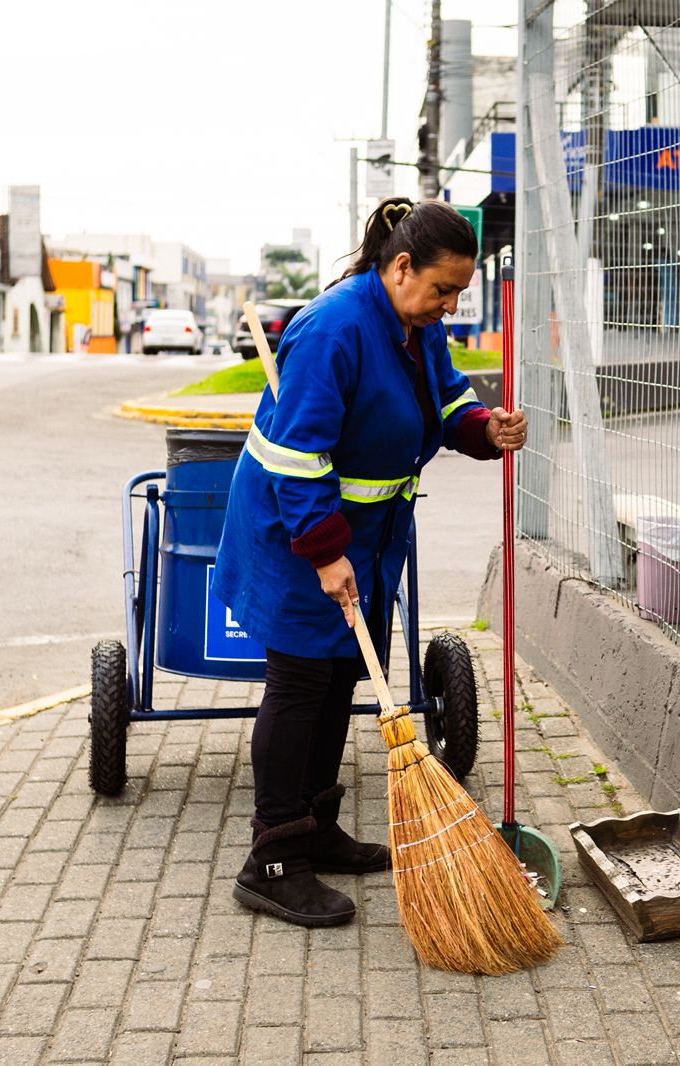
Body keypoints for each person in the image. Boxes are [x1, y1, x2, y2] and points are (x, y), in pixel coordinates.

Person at [212, 197, 527, 928]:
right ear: (401, 266)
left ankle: (315, 829)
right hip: (298, 532)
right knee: (299, 684)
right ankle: (272, 862)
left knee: (339, 677)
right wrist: (325, 554)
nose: (450, 306)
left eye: (459, 293)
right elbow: (297, 456)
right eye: (443, 289)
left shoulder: (417, 326)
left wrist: (485, 428)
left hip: (367, 537)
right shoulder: (333, 330)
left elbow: (446, 403)